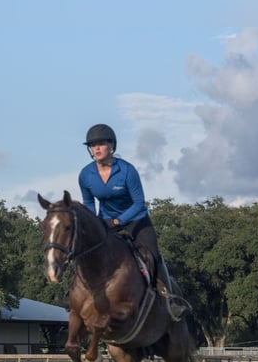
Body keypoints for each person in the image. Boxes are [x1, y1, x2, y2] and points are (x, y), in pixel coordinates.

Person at [78, 123, 186, 320]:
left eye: (101, 144)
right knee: (86, 251)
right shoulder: (85, 175)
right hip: (106, 222)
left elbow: (138, 203)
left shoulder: (127, 171)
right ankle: (75, 294)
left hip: (136, 221)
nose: (97, 149)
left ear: (112, 146)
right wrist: (95, 222)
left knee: (153, 256)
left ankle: (170, 299)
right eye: (93, 145)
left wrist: (119, 221)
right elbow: (88, 201)